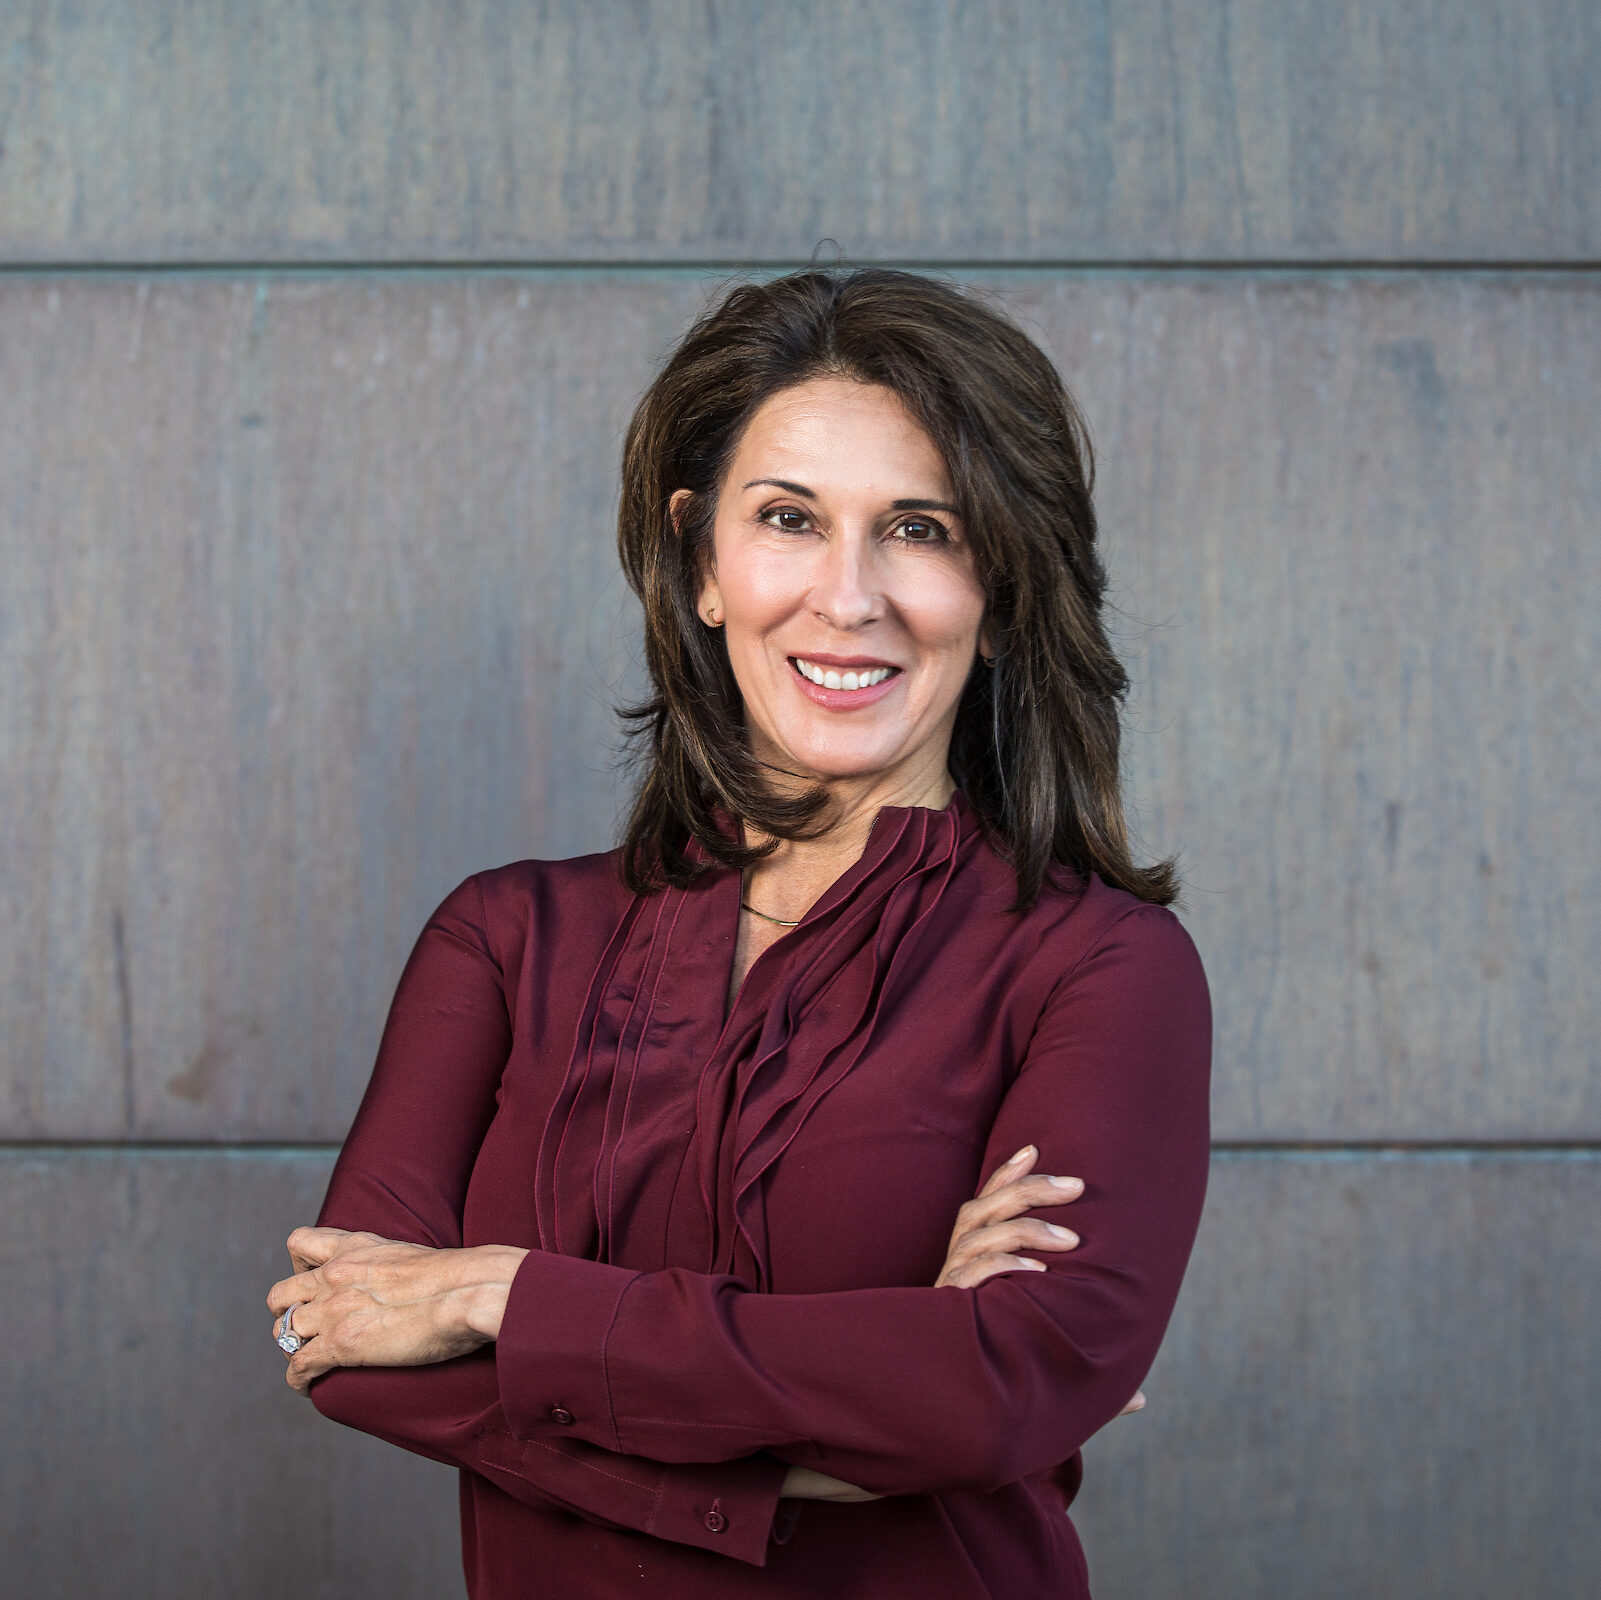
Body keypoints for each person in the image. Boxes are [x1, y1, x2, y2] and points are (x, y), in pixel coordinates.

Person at [267, 267, 1211, 1599]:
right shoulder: (500, 940)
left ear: (999, 587)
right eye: (786, 519)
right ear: (699, 558)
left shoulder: (1100, 967)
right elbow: (345, 1348)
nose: (847, 596)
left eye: (920, 529)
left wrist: (499, 1299)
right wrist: (864, 1401)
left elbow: (1005, 1390)